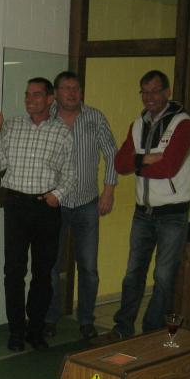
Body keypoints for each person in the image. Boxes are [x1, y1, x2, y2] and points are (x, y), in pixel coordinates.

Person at [0, 77, 77, 352]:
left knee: (43, 272)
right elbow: (0, 163)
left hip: (45, 208)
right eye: (27, 94)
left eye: (37, 95)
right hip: (16, 205)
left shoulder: (62, 132)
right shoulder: (13, 125)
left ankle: (35, 330)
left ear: (50, 99)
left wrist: (57, 195)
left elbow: (70, 173)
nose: (30, 99)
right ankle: (16, 331)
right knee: (14, 271)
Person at [108, 70, 190, 340]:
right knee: (132, 274)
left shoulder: (182, 123)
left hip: (172, 214)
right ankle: (122, 327)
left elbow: (168, 167)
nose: (149, 97)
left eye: (155, 91)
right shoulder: (138, 124)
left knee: (164, 276)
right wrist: (147, 158)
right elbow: (119, 164)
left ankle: (152, 331)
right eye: (144, 92)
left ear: (167, 92)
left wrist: (137, 160)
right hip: (142, 213)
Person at [43, 71, 117, 341]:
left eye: (76, 88)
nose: (72, 93)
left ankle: (86, 320)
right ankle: (49, 318)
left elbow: (112, 153)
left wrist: (108, 191)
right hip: (55, 204)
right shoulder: (46, 119)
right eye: (66, 88)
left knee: (88, 268)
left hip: (87, 204)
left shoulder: (95, 117)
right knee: (50, 265)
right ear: (56, 93)